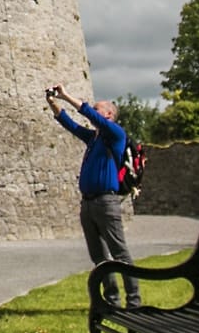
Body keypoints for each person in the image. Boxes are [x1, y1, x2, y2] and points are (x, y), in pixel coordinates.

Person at [46, 84, 142, 309]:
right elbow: (70, 124)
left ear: (108, 115)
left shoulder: (116, 135)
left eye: (99, 110)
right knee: (99, 257)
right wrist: (52, 103)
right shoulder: (94, 139)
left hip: (106, 202)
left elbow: (86, 113)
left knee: (120, 254)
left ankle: (134, 302)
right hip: (88, 203)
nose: (94, 112)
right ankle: (112, 301)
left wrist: (66, 96)